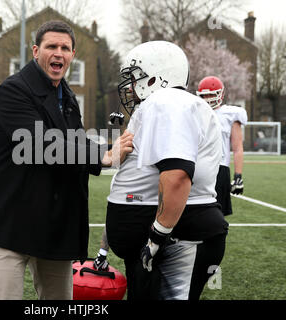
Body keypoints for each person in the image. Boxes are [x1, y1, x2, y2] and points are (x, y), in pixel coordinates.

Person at [0, 20, 133, 300]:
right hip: (9, 225)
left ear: (73, 55)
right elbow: (38, 143)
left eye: (65, 48)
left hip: (53, 229)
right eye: (51, 46)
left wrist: (109, 147)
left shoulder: (68, 97)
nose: (58, 53)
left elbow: (73, 142)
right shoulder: (13, 90)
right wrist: (102, 156)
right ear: (36, 51)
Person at [105, 41, 229, 300]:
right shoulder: (164, 105)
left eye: (135, 77)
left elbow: (177, 175)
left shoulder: (167, 102)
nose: (129, 87)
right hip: (169, 238)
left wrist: (156, 239)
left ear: (155, 77)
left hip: (178, 240)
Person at [196, 76, 248, 216]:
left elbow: (237, 148)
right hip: (196, 167)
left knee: (217, 215)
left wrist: (238, 175)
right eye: (204, 95)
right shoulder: (194, 112)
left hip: (220, 169)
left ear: (220, 94)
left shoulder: (231, 114)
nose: (208, 98)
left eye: (212, 94)